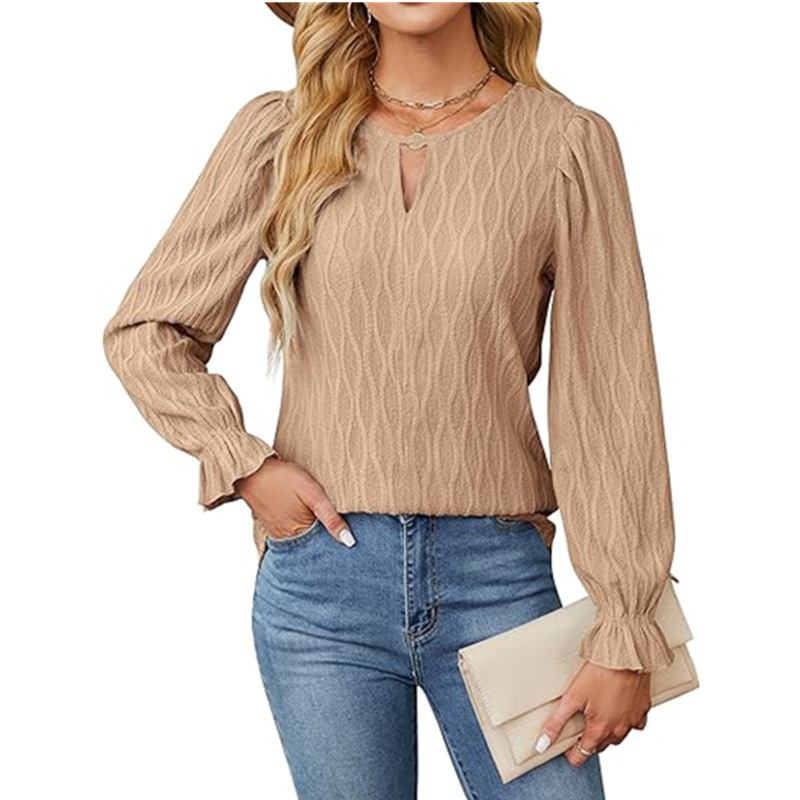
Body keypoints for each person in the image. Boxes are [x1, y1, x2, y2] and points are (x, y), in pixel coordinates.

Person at [102, 3, 680, 798]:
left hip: (498, 582)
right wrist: (246, 465)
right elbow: (147, 329)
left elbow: (608, 394)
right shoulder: (283, 135)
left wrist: (627, 622)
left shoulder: (564, 145)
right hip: (321, 586)